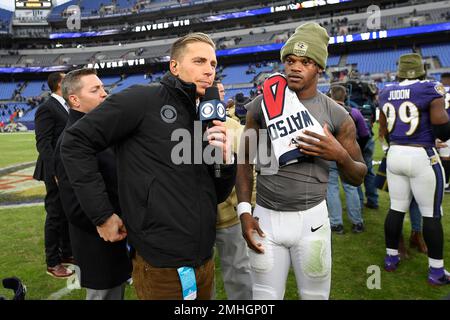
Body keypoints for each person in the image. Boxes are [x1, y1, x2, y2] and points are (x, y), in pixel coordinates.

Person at [60, 33, 236, 300]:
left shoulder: (203, 115)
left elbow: (217, 193)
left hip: (203, 259)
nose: (208, 70)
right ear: (174, 66)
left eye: (212, 64)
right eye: (199, 61)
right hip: (161, 265)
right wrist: (102, 214)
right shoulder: (142, 99)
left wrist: (224, 159)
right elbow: (75, 142)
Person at [236, 22, 367, 300]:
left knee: (315, 296)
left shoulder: (337, 115)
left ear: (319, 67)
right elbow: (245, 160)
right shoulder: (262, 104)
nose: (295, 67)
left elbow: (358, 176)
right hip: (265, 218)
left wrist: (339, 155)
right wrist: (244, 211)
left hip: (312, 221)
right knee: (263, 297)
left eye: (305, 62)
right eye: (290, 60)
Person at [54, 68, 132, 300]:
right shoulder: (71, 140)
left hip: (117, 238)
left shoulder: (99, 130)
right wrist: (109, 220)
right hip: (99, 244)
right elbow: (74, 206)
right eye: (95, 89)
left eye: (103, 87)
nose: (104, 93)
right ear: (75, 99)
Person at [379, 53, 450, 285]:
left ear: (399, 71)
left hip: (395, 152)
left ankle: (391, 258)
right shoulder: (431, 88)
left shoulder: (385, 90)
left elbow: (384, 130)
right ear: (422, 70)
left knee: (396, 208)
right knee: (431, 213)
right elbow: (442, 131)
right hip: (421, 154)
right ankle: (436, 272)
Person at [213, 80, 253, 300]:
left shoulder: (235, 128)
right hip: (197, 218)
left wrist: (248, 207)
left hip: (230, 215)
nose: (216, 95)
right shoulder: (184, 126)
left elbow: (249, 170)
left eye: (219, 91)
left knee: (238, 270)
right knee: (200, 276)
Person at [33, 72, 74, 278]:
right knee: (55, 214)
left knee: (67, 212)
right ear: (59, 84)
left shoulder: (65, 106)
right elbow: (43, 143)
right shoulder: (47, 108)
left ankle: (66, 253)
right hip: (54, 170)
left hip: (66, 168)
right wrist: (55, 171)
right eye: (66, 78)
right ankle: (53, 262)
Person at [327, 84, 368, 234]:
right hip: (349, 153)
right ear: (345, 96)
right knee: (351, 188)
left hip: (330, 154)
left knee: (331, 188)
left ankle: (336, 224)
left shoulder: (325, 112)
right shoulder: (355, 112)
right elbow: (364, 134)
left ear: (331, 96)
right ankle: (357, 222)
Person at [436, 73, 450, 192]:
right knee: (445, 156)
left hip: (439, 125)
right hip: (446, 124)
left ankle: (443, 183)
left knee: (441, 156)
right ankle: (445, 183)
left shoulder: (437, 89)